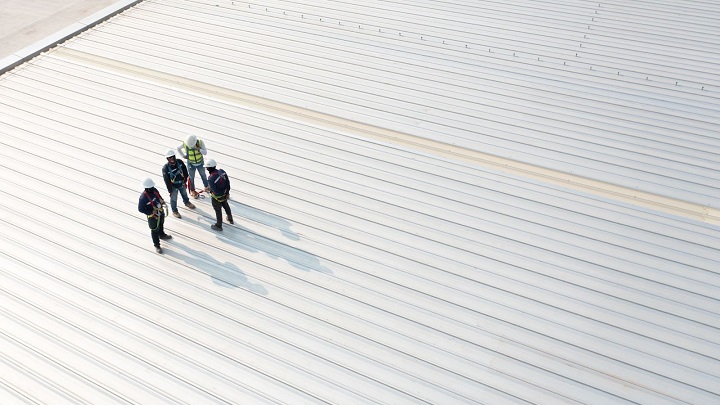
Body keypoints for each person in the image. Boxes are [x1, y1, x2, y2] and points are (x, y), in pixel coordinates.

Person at [138, 178, 171, 253]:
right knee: (154, 229)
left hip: (160, 211)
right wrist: (151, 212)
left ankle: (162, 234)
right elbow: (140, 209)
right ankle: (156, 245)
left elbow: (159, 197)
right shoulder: (143, 198)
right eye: (150, 188)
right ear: (146, 188)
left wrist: (162, 201)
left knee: (161, 223)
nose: (152, 188)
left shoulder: (155, 190)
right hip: (152, 216)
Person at [162, 149, 196, 218]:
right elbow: (166, 180)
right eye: (170, 157)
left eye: (173, 156)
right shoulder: (165, 168)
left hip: (182, 183)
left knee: (184, 193)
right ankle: (174, 211)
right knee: (173, 199)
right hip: (173, 186)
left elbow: (185, 170)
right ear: (167, 159)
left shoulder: (179, 162)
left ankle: (187, 202)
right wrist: (170, 190)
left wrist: (186, 179)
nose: (172, 158)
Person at [204, 158, 233, 231]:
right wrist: (227, 192)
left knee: (218, 211)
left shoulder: (210, 178)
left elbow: (215, 191)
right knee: (226, 205)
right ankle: (230, 218)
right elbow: (227, 182)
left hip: (216, 198)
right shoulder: (222, 171)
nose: (206, 169)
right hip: (225, 195)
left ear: (209, 168)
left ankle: (218, 225)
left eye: (207, 167)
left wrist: (210, 190)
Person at [176, 134, 208, 199]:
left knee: (203, 175)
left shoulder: (200, 142)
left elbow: (205, 152)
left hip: (200, 163)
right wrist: (183, 156)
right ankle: (193, 190)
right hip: (191, 164)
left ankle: (207, 186)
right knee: (191, 178)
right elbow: (178, 148)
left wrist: (199, 149)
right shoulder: (185, 144)